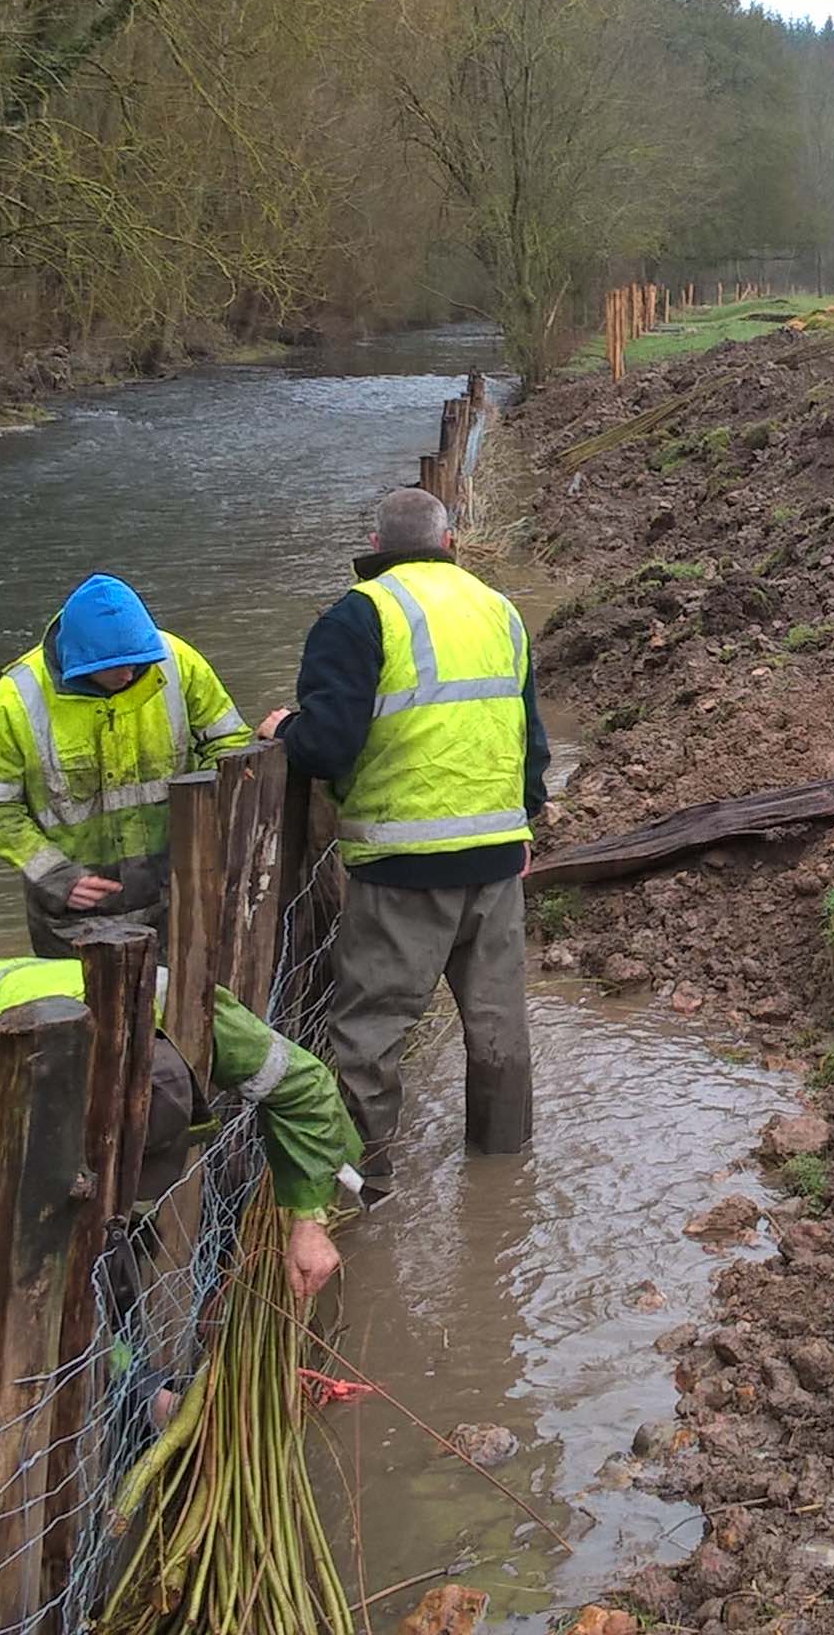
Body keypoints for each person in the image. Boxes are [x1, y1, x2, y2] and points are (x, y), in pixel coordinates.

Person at [0, 957, 358, 1446]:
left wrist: (309, 1222)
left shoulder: (189, 1012)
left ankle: (115, 1390)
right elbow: (47, 1279)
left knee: (125, 1237)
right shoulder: (21, 1117)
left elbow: (305, 1088)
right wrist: (142, 1395)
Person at [255, 487, 546, 1199]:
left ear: (376, 549)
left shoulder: (360, 615)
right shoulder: (500, 611)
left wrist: (279, 732)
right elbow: (528, 741)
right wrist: (524, 822)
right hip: (498, 854)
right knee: (499, 1024)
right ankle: (502, 1174)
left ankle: (365, 1182)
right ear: (451, 542)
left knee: (371, 1032)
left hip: (402, 863)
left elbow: (326, 745)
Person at [0, 573, 249, 957]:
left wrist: (206, 836)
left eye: (137, 662)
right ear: (78, 661)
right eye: (116, 666)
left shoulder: (176, 663)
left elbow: (230, 745)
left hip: (175, 893)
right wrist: (55, 875)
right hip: (73, 915)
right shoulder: (16, 700)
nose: (129, 674)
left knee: (179, 1010)